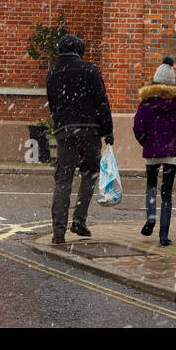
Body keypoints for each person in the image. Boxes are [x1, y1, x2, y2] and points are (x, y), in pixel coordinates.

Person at [45, 33, 113, 245]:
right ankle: (79, 220)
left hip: (65, 132)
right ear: (79, 50)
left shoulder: (52, 72)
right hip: (90, 131)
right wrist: (107, 130)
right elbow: (101, 100)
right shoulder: (89, 69)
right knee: (90, 173)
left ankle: (58, 233)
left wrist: (60, 126)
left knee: (63, 179)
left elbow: (53, 103)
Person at [132, 56, 176, 246]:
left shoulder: (146, 102)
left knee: (151, 185)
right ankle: (164, 235)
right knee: (166, 193)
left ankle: (151, 217)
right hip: (171, 152)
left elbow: (137, 126)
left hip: (151, 151)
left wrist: (145, 141)